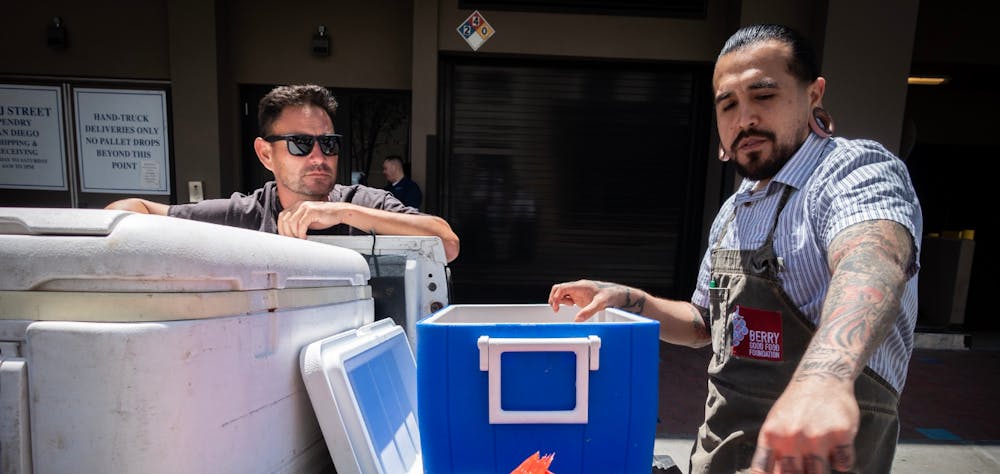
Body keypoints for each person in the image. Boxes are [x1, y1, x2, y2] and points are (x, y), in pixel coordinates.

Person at [548, 24, 921, 474]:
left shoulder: (852, 171)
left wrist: (824, 378)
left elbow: (872, 261)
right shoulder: (733, 211)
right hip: (722, 451)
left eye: (763, 96)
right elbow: (705, 324)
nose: (744, 119)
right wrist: (629, 299)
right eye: (728, 105)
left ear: (813, 94)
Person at [106, 84, 459, 263]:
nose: (319, 156)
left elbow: (447, 242)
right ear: (265, 153)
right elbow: (130, 209)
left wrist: (340, 212)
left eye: (329, 144)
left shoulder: (364, 204)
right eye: (301, 143)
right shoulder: (242, 216)